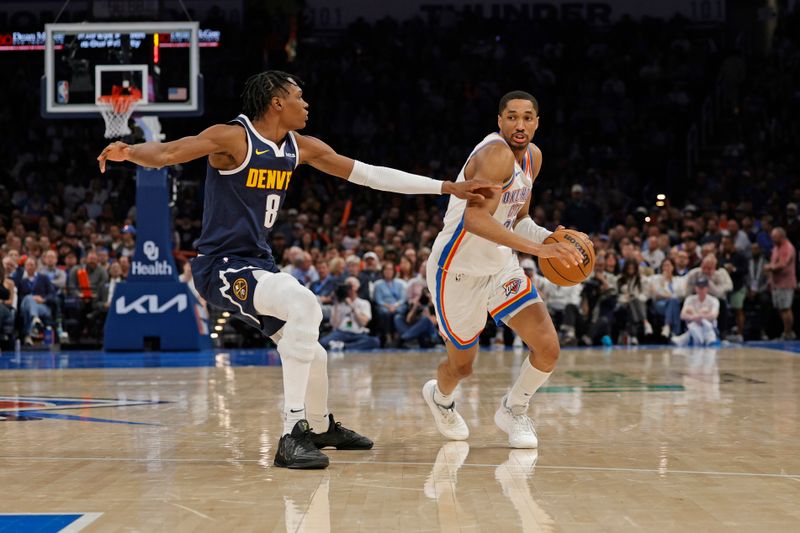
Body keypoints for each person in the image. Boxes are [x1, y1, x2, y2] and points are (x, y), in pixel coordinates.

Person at [98, 70, 496, 469]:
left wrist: (445, 187)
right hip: (221, 267)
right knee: (304, 303)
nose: (306, 104)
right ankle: (292, 433)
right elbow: (169, 153)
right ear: (276, 102)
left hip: (258, 265)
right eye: (299, 97)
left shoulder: (299, 147)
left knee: (312, 354)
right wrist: (129, 152)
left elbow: (369, 174)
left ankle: (321, 427)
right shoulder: (233, 138)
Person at [421, 91, 585, 449]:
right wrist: (540, 249)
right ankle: (440, 397)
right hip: (457, 272)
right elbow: (475, 219)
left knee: (548, 347)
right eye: (512, 117)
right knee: (462, 366)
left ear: (537, 122)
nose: (520, 125)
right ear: (499, 121)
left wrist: (554, 239)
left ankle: (514, 409)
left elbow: (518, 218)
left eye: (528, 117)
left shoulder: (533, 158)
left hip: (501, 267)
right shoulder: (495, 155)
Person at [319, 277, 379, 351]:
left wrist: (352, 306)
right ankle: (346, 346)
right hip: (341, 332)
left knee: (374, 341)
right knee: (322, 342)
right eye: (347, 286)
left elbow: (363, 323)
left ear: (357, 288)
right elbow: (334, 325)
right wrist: (337, 303)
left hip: (358, 333)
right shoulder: (339, 304)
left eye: (351, 286)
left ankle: (344, 346)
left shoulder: (364, 303)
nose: (349, 289)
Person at [764, 227, 796, 340]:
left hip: (785, 283)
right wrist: (769, 280)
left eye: (774, 236)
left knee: (786, 308)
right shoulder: (776, 248)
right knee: (780, 308)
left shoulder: (788, 247)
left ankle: (788, 333)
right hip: (776, 283)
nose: (772, 239)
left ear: (781, 236)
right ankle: (785, 331)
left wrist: (769, 267)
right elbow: (774, 261)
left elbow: (783, 264)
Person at [671, 277, 720, 347]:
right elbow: (682, 315)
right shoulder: (690, 299)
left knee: (703, 321)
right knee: (694, 325)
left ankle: (687, 338)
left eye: (703, 287)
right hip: (693, 326)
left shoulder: (713, 300)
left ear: (707, 288)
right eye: (699, 287)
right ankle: (704, 339)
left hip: (709, 328)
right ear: (695, 288)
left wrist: (699, 316)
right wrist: (696, 316)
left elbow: (714, 315)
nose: (701, 290)